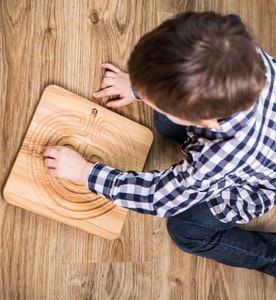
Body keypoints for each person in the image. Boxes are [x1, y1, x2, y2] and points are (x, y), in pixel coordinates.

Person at [43, 12, 276, 276]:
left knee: (185, 231)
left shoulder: (216, 159)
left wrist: (86, 173)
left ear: (204, 121)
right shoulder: (236, 43)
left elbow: (159, 197)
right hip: (262, 132)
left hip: (259, 183)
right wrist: (138, 85)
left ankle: (269, 258)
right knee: (164, 122)